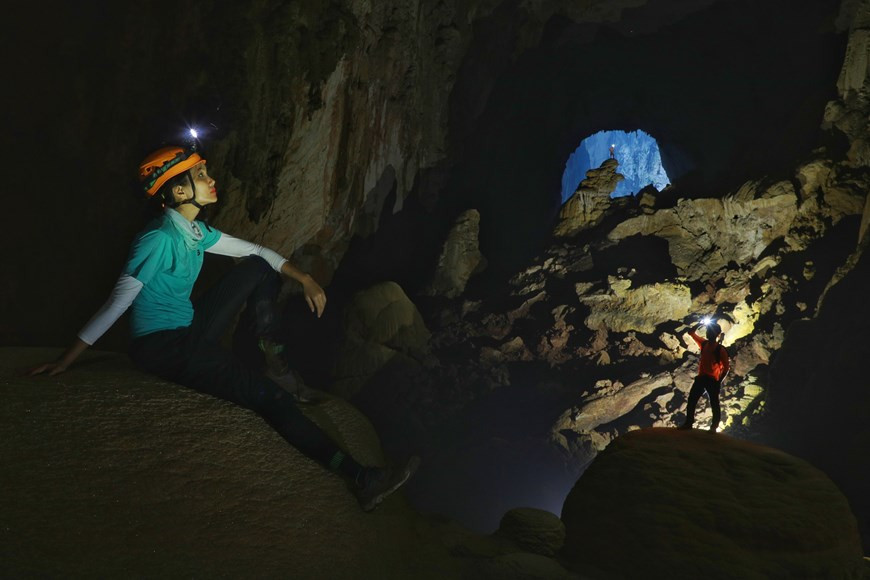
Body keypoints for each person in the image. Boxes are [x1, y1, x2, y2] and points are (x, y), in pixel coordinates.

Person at [28, 145, 418, 511]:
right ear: (179, 191)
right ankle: (361, 478)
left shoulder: (196, 232)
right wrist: (67, 360)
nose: (211, 179)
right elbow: (118, 302)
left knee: (258, 268)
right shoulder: (158, 239)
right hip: (165, 347)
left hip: (190, 326)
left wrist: (304, 279)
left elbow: (259, 252)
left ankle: (273, 357)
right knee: (270, 402)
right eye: (201, 175)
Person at [678, 321, 730, 432]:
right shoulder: (704, 343)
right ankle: (689, 423)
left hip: (712, 380)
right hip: (702, 378)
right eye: (708, 331)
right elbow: (691, 332)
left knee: (714, 403)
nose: (708, 333)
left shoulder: (720, 350)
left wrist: (718, 381)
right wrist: (701, 323)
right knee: (692, 400)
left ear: (716, 334)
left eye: (710, 331)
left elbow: (726, 368)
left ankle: (713, 427)